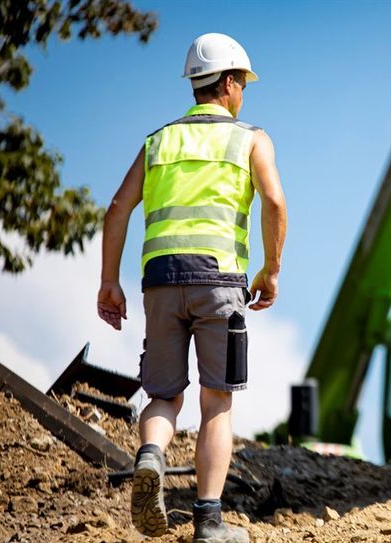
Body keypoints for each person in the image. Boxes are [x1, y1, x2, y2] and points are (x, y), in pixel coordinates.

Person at [97, 32, 286, 543]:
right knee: (217, 403)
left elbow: (117, 209)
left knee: (161, 395)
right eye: (242, 82)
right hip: (219, 282)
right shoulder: (250, 138)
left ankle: (151, 458)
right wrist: (271, 269)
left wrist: (108, 282)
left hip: (160, 282)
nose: (244, 91)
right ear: (227, 83)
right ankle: (209, 522)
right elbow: (273, 202)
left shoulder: (158, 141)